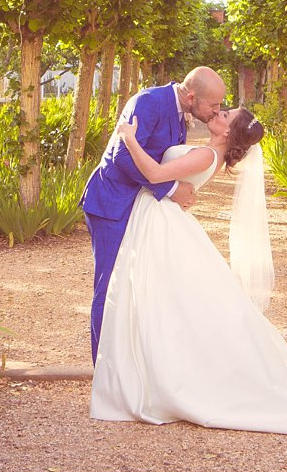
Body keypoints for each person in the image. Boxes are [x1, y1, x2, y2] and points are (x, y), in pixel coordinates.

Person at [90, 107, 287, 436]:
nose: (220, 112)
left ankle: (163, 375)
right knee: (165, 298)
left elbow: (156, 174)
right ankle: (150, 367)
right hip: (161, 219)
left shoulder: (206, 155)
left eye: (226, 114)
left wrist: (129, 139)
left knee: (162, 297)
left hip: (161, 222)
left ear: (229, 133)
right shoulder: (209, 152)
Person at [80, 66, 226, 364]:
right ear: (191, 96)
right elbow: (120, 156)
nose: (217, 111)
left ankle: (130, 366)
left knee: (136, 289)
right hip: (110, 204)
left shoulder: (181, 112)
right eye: (214, 105)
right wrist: (171, 189)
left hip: (138, 208)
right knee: (109, 286)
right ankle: (104, 371)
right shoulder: (147, 101)